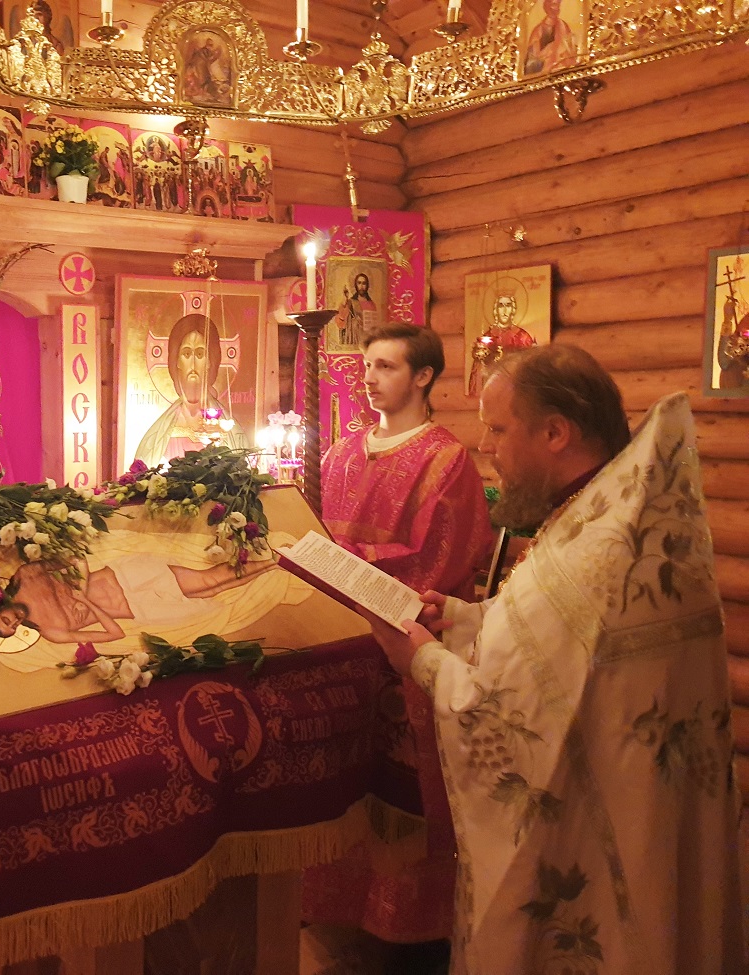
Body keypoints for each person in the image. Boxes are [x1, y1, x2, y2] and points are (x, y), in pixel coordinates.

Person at [365, 344, 744, 975]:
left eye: (498, 429)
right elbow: (552, 639)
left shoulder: (599, 549)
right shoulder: (604, 517)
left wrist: (422, 661)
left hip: (610, 830)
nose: (486, 446)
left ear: (555, 433)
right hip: (639, 811)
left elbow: (503, 713)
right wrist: (463, 619)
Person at [307, 323, 493, 961]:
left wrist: (340, 563)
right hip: (338, 644)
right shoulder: (338, 453)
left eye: (386, 366)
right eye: (367, 366)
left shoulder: (447, 461)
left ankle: (408, 930)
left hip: (404, 649)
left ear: (423, 376)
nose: (369, 377)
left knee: (402, 793)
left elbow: (440, 559)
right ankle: (338, 913)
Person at [0, 553, 277, 644]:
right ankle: (275, 567)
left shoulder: (26, 576)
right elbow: (114, 633)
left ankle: (275, 561)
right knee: (211, 591)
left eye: (6, 620)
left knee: (206, 579)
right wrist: (88, 603)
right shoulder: (51, 632)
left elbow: (76, 557)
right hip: (137, 608)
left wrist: (82, 588)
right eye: (12, 629)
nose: (16, 623)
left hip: (127, 577)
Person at [133, 313, 247, 465]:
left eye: (200, 354)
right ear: (176, 360)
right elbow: (144, 470)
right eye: (186, 353)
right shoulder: (158, 434)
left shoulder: (231, 431)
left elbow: (242, 468)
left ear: (210, 361)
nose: (193, 362)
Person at [467, 292, 536, 397]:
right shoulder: (487, 337)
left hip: (516, 389)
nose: (504, 310)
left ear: (513, 309)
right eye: (501, 306)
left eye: (508, 305)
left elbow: (530, 368)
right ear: (496, 310)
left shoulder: (523, 336)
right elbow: (478, 373)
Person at [523, 0, 578, 75]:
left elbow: (569, 49)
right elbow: (531, 59)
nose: (556, 8)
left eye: (557, 5)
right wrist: (547, 52)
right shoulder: (538, 31)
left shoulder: (563, 26)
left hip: (562, 70)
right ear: (547, 7)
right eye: (553, 4)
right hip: (544, 73)